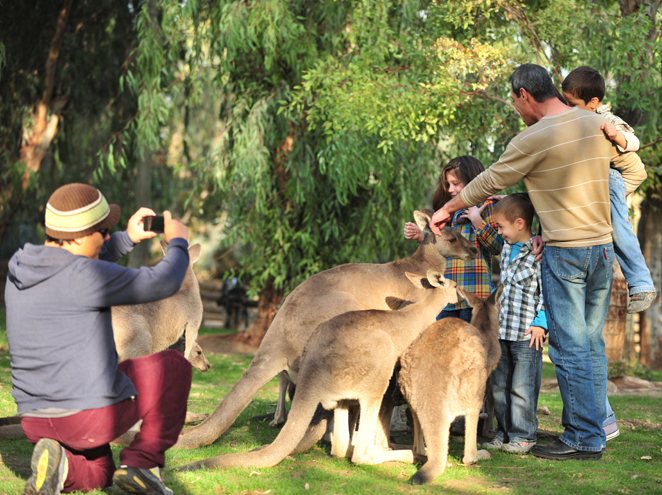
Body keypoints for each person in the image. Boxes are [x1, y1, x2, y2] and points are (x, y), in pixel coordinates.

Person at [430, 63, 646, 460]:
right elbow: (634, 171)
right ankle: (596, 427)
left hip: (566, 251)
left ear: (523, 95)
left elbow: (490, 180)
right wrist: (599, 202)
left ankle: (584, 438)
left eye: (515, 102)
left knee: (569, 346)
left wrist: (450, 207)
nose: (517, 109)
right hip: (601, 250)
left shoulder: (533, 137)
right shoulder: (594, 122)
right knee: (590, 344)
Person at [5, 183, 193, 494]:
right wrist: (179, 244)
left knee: (101, 469)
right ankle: (143, 463)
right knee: (174, 365)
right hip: (87, 418)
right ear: (78, 236)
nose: (108, 237)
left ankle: (60, 466)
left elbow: (77, 259)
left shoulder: (20, 268)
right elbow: (163, 282)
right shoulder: (86, 277)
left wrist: (127, 238)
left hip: (35, 420)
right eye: (103, 231)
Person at [561, 66, 656, 314]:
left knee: (619, 229)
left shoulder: (605, 120)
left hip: (616, 177)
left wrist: (616, 135)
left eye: (572, 103)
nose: (568, 108)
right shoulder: (578, 119)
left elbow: (633, 143)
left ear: (593, 102)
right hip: (604, 179)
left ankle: (641, 283)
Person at [482, 194, 546, 455]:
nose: (499, 233)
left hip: (525, 333)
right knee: (499, 385)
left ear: (520, 223)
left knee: (522, 387)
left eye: (501, 227)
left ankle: (523, 435)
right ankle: (504, 432)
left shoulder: (538, 253)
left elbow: (546, 293)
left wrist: (541, 323)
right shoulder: (508, 248)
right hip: (503, 330)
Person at [404, 156, 503, 322]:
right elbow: (445, 244)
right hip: (448, 298)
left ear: (473, 180)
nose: (450, 189)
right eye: (448, 184)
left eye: (455, 183)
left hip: (474, 295)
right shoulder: (451, 211)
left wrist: (477, 221)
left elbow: (498, 247)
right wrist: (421, 236)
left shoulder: (489, 206)